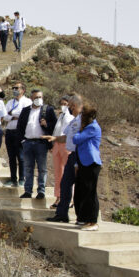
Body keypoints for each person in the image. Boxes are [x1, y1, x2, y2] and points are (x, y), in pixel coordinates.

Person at [44, 94, 83, 223]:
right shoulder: (72, 120)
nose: (68, 108)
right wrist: (54, 139)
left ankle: (82, 217)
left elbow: (81, 138)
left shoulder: (84, 120)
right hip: (71, 153)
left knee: (81, 186)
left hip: (80, 155)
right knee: (65, 183)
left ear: (75, 105)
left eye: (70, 105)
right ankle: (62, 213)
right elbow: (66, 136)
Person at [17, 89, 56, 199]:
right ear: (31, 98)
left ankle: (41, 191)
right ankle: (28, 190)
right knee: (28, 167)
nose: (38, 99)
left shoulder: (48, 110)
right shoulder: (25, 110)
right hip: (27, 142)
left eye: (40, 97)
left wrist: (46, 124)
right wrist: (22, 141)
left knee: (42, 168)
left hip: (41, 143)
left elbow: (54, 126)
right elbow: (20, 127)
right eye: (36, 97)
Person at [72, 103, 102, 231]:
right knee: (82, 190)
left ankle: (93, 221)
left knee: (90, 192)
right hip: (83, 162)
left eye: (82, 115)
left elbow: (76, 139)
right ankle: (83, 217)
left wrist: (78, 131)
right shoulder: (87, 127)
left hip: (91, 162)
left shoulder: (92, 128)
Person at [2, 82, 31, 187]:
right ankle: (13, 178)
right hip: (9, 131)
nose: (14, 89)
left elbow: (25, 115)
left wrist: (12, 114)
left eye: (16, 88)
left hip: (20, 132)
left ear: (23, 90)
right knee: (11, 157)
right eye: (13, 87)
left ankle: (22, 179)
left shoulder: (27, 102)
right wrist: (13, 116)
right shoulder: (10, 102)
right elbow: (4, 116)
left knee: (21, 156)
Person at [49, 96, 75, 209]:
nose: (63, 106)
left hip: (66, 145)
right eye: (62, 104)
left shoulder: (73, 117)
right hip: (57, 144)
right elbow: (57, 130)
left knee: (67, 173)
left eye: (66, 104)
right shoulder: (61, 116)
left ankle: (70, 198)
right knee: (58, 173)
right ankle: (58, 197)